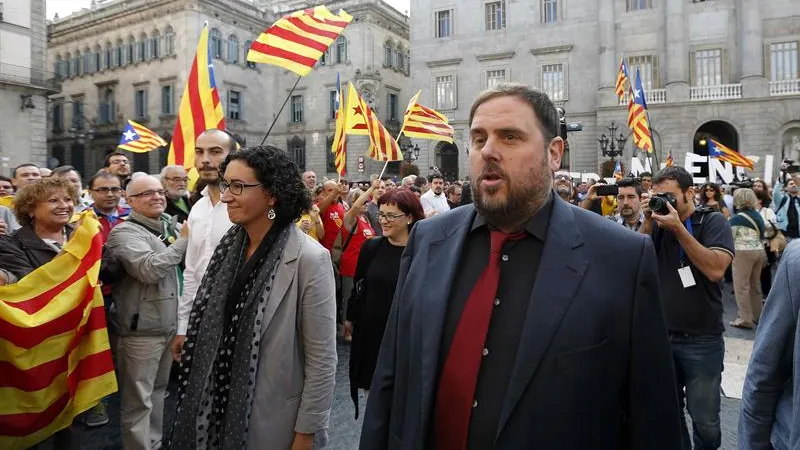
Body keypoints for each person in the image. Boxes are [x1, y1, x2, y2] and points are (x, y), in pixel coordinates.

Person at [360, 83, 681, 450]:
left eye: (510, 137)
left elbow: (654, 418)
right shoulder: (428, 240)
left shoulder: (622, 257)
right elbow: (390, 376)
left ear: (554, 153)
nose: (489, 151)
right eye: (478, 139)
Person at [169, 146, 337, 450]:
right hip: (212, 411)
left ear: (272, 195)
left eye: (238, 186)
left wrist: (307, 433)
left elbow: (322, 359)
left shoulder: (309, 259)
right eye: (225, 185)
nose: (227, 196)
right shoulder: (228, 249)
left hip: (273, 423)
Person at [640, 166, 734, 450]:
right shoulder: (657, 225)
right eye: (657, 197)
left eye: (668, 196)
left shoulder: (713, 222)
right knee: (667, 413)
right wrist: (648, 219)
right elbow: (637, 260)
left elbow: (716, 269)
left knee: (705, 421)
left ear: (690, 193)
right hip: (662, 336)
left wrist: (679, 229)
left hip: (702, 340)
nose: (663, 203)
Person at [0, 177, 86, 449]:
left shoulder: (81, 235)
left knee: (70, 410)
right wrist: (76, 257)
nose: (65, 205)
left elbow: (109, 272)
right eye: (53, 200)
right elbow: (32, 282)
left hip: (77, 336)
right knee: (36, 407)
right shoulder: (11, 243)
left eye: (68, 199)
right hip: (36, 341)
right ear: (30, 209)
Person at [106, 175, 189, 450]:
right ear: (129, 202)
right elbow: (148, 269)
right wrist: (182, 243)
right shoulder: (124, 233)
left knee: (158, 393)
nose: (156, 196)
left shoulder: (168, 224)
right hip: (140, 330)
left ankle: (153, 443)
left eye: (158, 191)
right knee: (138, 400)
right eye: (146, 194)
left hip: (167, 325)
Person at [346, 189, 424, 417]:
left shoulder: (423, 251)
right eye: (381, 215)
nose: (384, 221)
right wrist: (350, 318)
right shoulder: (372, 247)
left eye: (391, 216)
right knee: (375, 410)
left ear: (409, 217)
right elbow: (360, 285)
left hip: (407, 340)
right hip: (372, 339)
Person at [172, 129, 236, 361]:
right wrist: (183, 326)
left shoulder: (247, 206)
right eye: (199, 152)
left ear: (233, 157)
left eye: (215, 152)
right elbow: (192, 272)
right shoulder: (197, 209)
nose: (205, 159)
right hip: (201, 321)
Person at [738, 241, 800, 450]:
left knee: (748, 286)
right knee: (749, 286)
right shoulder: (797, 261)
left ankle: (748, 316)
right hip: (788, 434)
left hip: (750, 254)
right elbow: (765, 370)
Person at [729, 188, 767, 330]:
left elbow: (729, 237)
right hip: (759, 251)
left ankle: (745, 318)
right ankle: (758, 316)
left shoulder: (737, 218)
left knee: (741, 286)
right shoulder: (757, 215)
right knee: (755, 285)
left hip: (743, 252)